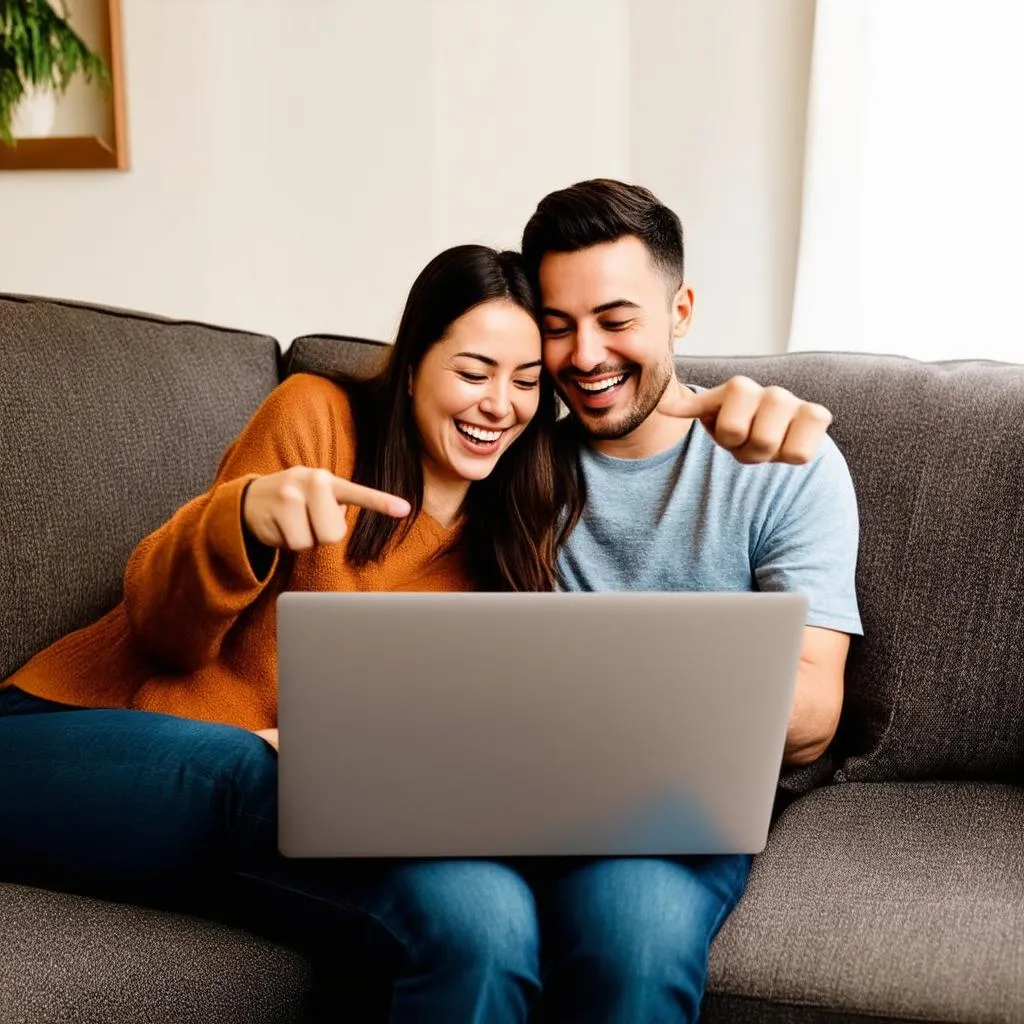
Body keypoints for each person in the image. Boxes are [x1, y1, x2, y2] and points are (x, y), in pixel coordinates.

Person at [0, 191, 856, 1023]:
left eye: (527, 378)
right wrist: (244, 518)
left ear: (680, 312)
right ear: (413, 364)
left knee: (485, 919)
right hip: (117, 742)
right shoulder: (324, 425)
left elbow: (803, 714)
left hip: (356, 798)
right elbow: (163, 630)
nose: (516, 394)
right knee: (260, 772)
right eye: (545, 337)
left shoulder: (509, 535)